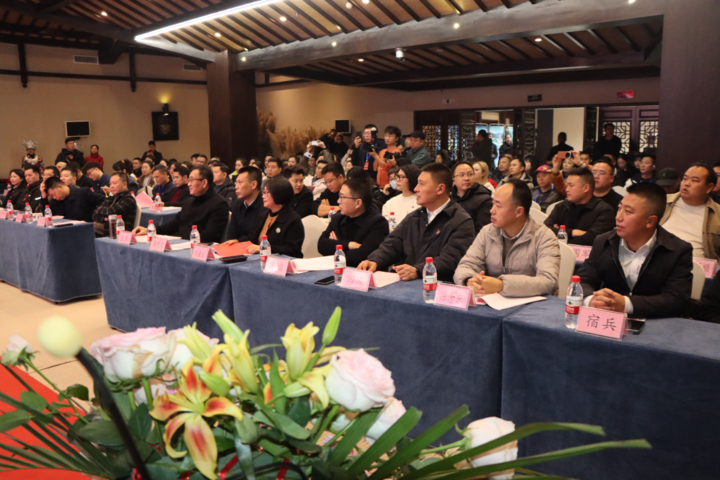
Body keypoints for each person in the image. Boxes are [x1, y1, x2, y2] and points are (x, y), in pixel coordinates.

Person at [578, 182, 693, 318]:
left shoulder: (677, 250)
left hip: (654, 322)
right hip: (608, 319)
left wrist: (626, 304)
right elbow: (583, 281)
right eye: (619, 208)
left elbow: (677, 299)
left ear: (650, 221)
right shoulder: (604, 241)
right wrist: (592, 300)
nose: (618, 217)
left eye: (628, 211)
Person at [358, 163, 475, 282]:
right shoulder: (415, 216)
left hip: (437, 285)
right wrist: (375, 260)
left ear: (440, 189)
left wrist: (417, 270)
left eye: (421, 184)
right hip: (406, 283)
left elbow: (450, 259)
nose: (416, 189)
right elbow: (392, 243)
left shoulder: (461, 221)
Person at [454, 179, 560, 296]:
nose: (492, 210)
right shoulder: (487, 232)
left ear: (518, 212)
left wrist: (502, 285)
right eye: (493, 204)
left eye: (498, 206)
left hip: (529, 304)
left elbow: (548, 282)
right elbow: (466, 265)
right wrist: (469, 280)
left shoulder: (544, 237)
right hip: (491, 300)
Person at [133, 165, 229, 242]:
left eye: (192, 180)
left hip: (200, 248)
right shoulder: (189, 201)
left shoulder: (219, 204)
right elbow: (173, 225)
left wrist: (180, 239)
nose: (189, 184)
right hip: (182, 243)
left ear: (204, 183)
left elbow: (209, 235)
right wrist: (150, 230)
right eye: (189, 180)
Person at [318, 178, 389, 266]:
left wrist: (337, 246)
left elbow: (362, 256)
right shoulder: (338, 218)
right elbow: (321, 245)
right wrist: (349, 244)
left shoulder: (378, 223)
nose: (338, 201)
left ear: (358, 203)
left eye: (342, 197)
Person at [659, 163, 720, 260]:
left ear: (709, 187)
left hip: (697, 265)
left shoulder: (717, 213)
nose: (686, 183)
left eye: (694, 180)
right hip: (658, 259)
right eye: (685, 179)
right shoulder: (661, 201)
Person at [544, 168, 616, 246]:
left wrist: (560, 233)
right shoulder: (562, 206)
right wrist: (573, 232)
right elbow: (544, 230)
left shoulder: (604, 211)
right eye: (567, 185)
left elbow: (592, 239)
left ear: (586, 188)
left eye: (571, 186)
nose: (567, 189)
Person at [245, 178, 305, 258]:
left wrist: (264, 249)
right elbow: (252, 237)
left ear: (278, 194)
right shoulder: (263, 214)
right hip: (259, 258)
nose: (263, 196)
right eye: (263, 193)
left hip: (281, 262)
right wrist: (237, 241)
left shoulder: (293, 219)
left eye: (267, 193)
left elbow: (292, 250)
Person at [224, 166, 269, 243]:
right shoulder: (238, 203)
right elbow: (231, 233)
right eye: (236, 183)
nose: (236, 187)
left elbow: (255, 236)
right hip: (236, 247)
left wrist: (237, 241)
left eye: (240, 182)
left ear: (254, 184)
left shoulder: (265, 205)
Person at [450, 162, 492, 234]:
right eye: (461, 175)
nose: (466, 178)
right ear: (453, 180)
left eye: (470, 174)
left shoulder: (485, 200)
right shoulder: (449, 198)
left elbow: (482, 232)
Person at [40, 177, 105, 222]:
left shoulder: (83, 193)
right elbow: (48, 216)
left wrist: (97, 214)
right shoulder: (55, 201)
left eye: (54, 194)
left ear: (60, 187)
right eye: (52, 196)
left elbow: (103, 200)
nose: (54, 197)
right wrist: (44, 197)